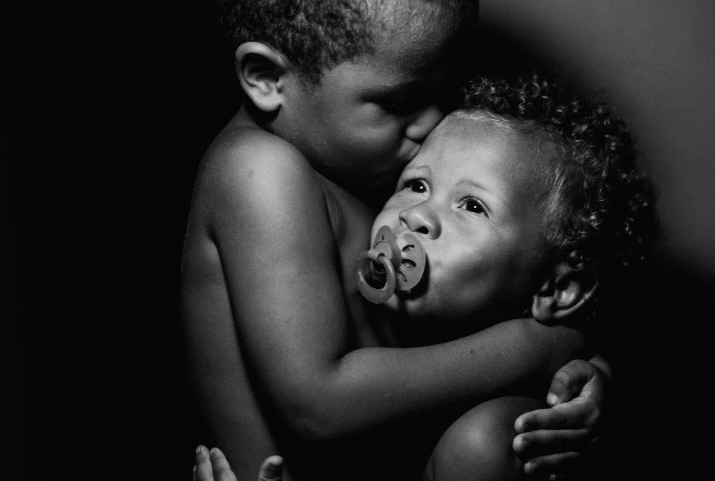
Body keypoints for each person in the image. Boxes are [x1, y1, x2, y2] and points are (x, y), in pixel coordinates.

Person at [181, 0, 612, 479]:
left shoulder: (367, 161)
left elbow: (504, 285)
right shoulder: (258, 172)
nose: (435, 122)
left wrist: (588, 378)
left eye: (444, 90)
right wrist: (538, 348)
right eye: (400, 101)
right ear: (266, 77)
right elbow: (319, 406)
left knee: (494, 439)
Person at [189, 75, 657, 481]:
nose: (415, 216)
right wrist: (543, 344)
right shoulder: (336, 274)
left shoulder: (505, 430)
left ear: (559, 289)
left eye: (471, 206)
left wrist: (591, 372)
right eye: (416, 185)